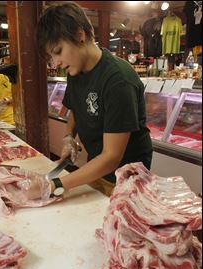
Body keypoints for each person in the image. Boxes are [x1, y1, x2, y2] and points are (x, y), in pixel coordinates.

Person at [19, 2, 153, 199]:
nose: (55, 63)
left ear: (80, 36)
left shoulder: (118, 80)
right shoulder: (76, 71)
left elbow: (111, 157)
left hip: (127, 179)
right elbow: (76, 108)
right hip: (97, 167)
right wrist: (68, 137)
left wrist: (54, 184)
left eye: (58, 51)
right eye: (51, 57)